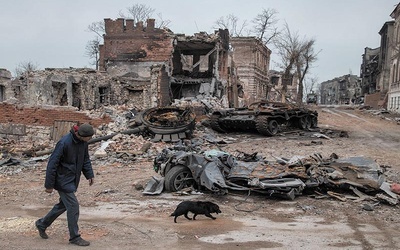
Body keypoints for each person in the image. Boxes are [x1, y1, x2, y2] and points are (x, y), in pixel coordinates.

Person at [35, 123, 95, 246]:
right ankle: (74, 237)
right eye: (88, 138)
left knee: (63, 205)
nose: (89, 140)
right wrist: (49, 185)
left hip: (72, 179)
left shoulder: (83, 143)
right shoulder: (64, 143)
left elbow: (85, 160)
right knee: (73, 206)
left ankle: (42, 224)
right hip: (62, 180)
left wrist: (89, 175)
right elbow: (52, 164)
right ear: (80, 135)